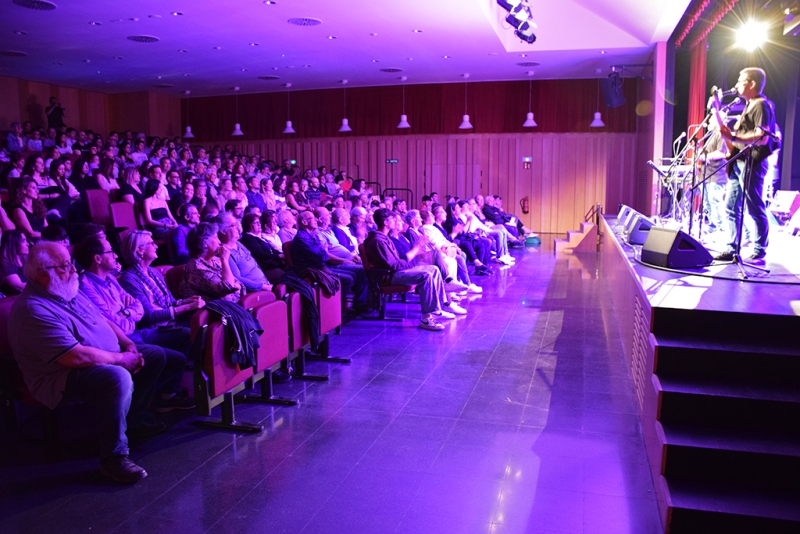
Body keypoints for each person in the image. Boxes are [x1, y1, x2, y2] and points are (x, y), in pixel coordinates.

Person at [9, 242, 176, 483]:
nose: (74, 270)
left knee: (158, 356)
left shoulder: (66, 289)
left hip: (103, 355)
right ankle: (113, 458)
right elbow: (75, 356)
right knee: (116, 377)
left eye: (71, 263)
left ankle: (133, 421)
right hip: (61, 375)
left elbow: (104, 321)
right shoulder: (33, 310)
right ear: (41, 273)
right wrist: (121, 359)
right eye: (65, 266)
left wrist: (128, 344)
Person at [715, 67, 779, 264]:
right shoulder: (748, 106)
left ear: (752, 84)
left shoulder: (761, 105)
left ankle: (760, 249)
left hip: (753, 163)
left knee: (754, 205)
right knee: (730, 206)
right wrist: (716, 110)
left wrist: (733, 136)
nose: (736, 84)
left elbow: (762, 136)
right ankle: (731, 247)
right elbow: (730, 138)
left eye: (740, 80)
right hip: (740, 163)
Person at [364, 209, 466, 331]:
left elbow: (396, 263)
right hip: (389, 276)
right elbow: (394, 265)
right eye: (392, 219)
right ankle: (426, 318)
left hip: (396, 272)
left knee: (433, 269)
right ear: (385, 222)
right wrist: (415, 251)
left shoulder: (383, 238)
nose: (395, 221)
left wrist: (412, 257)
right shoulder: (378, 240)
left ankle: (437, 310)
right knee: (426, 275)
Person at [118, 230, 204, 341]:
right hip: (154, 328)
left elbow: (171, 302)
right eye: (151, 243)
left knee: (204, 316)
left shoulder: (153, 272)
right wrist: (187, 307)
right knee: (190, 331)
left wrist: (186, 301)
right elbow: (149, 316)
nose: (156, 247)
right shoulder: (129, 279)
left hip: (170, 320)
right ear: (140, 250)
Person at [179, 222, 244, 302]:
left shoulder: (215, 260)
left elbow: (237, 282)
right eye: (216, 237)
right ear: (204, 243)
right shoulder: (196, 268)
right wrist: (225, 260)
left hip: (230, 306)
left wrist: (235, 286)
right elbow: (228, 287)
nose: (219, 242)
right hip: (213, 311)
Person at [216, 212, 272, 293]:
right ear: (223, 231)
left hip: (265, 285)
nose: (238, 228)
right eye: (233, 225)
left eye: (237, 224)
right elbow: (237, 278)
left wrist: (267, 283)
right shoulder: (224, 252)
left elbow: (255, 265)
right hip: (254, 293)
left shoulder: (238, 243)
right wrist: (263, 287)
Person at [239, 212, 285, 284]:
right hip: (266, 268)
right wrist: (278, 256)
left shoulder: (258, 236)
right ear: (248, 225)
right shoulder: (249, 238)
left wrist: (282, 254)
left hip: (274, 263)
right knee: (288, 277)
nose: (259, 224)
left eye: (259, 222)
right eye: (255, 223)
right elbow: (259, 254)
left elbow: (272, 250)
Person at [0, 230, 29, 295]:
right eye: (23, 241)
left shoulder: (25, 259)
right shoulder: (4, 264)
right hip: (11, 301)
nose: (27, 244)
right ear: (12, 243)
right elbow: (18, 285)